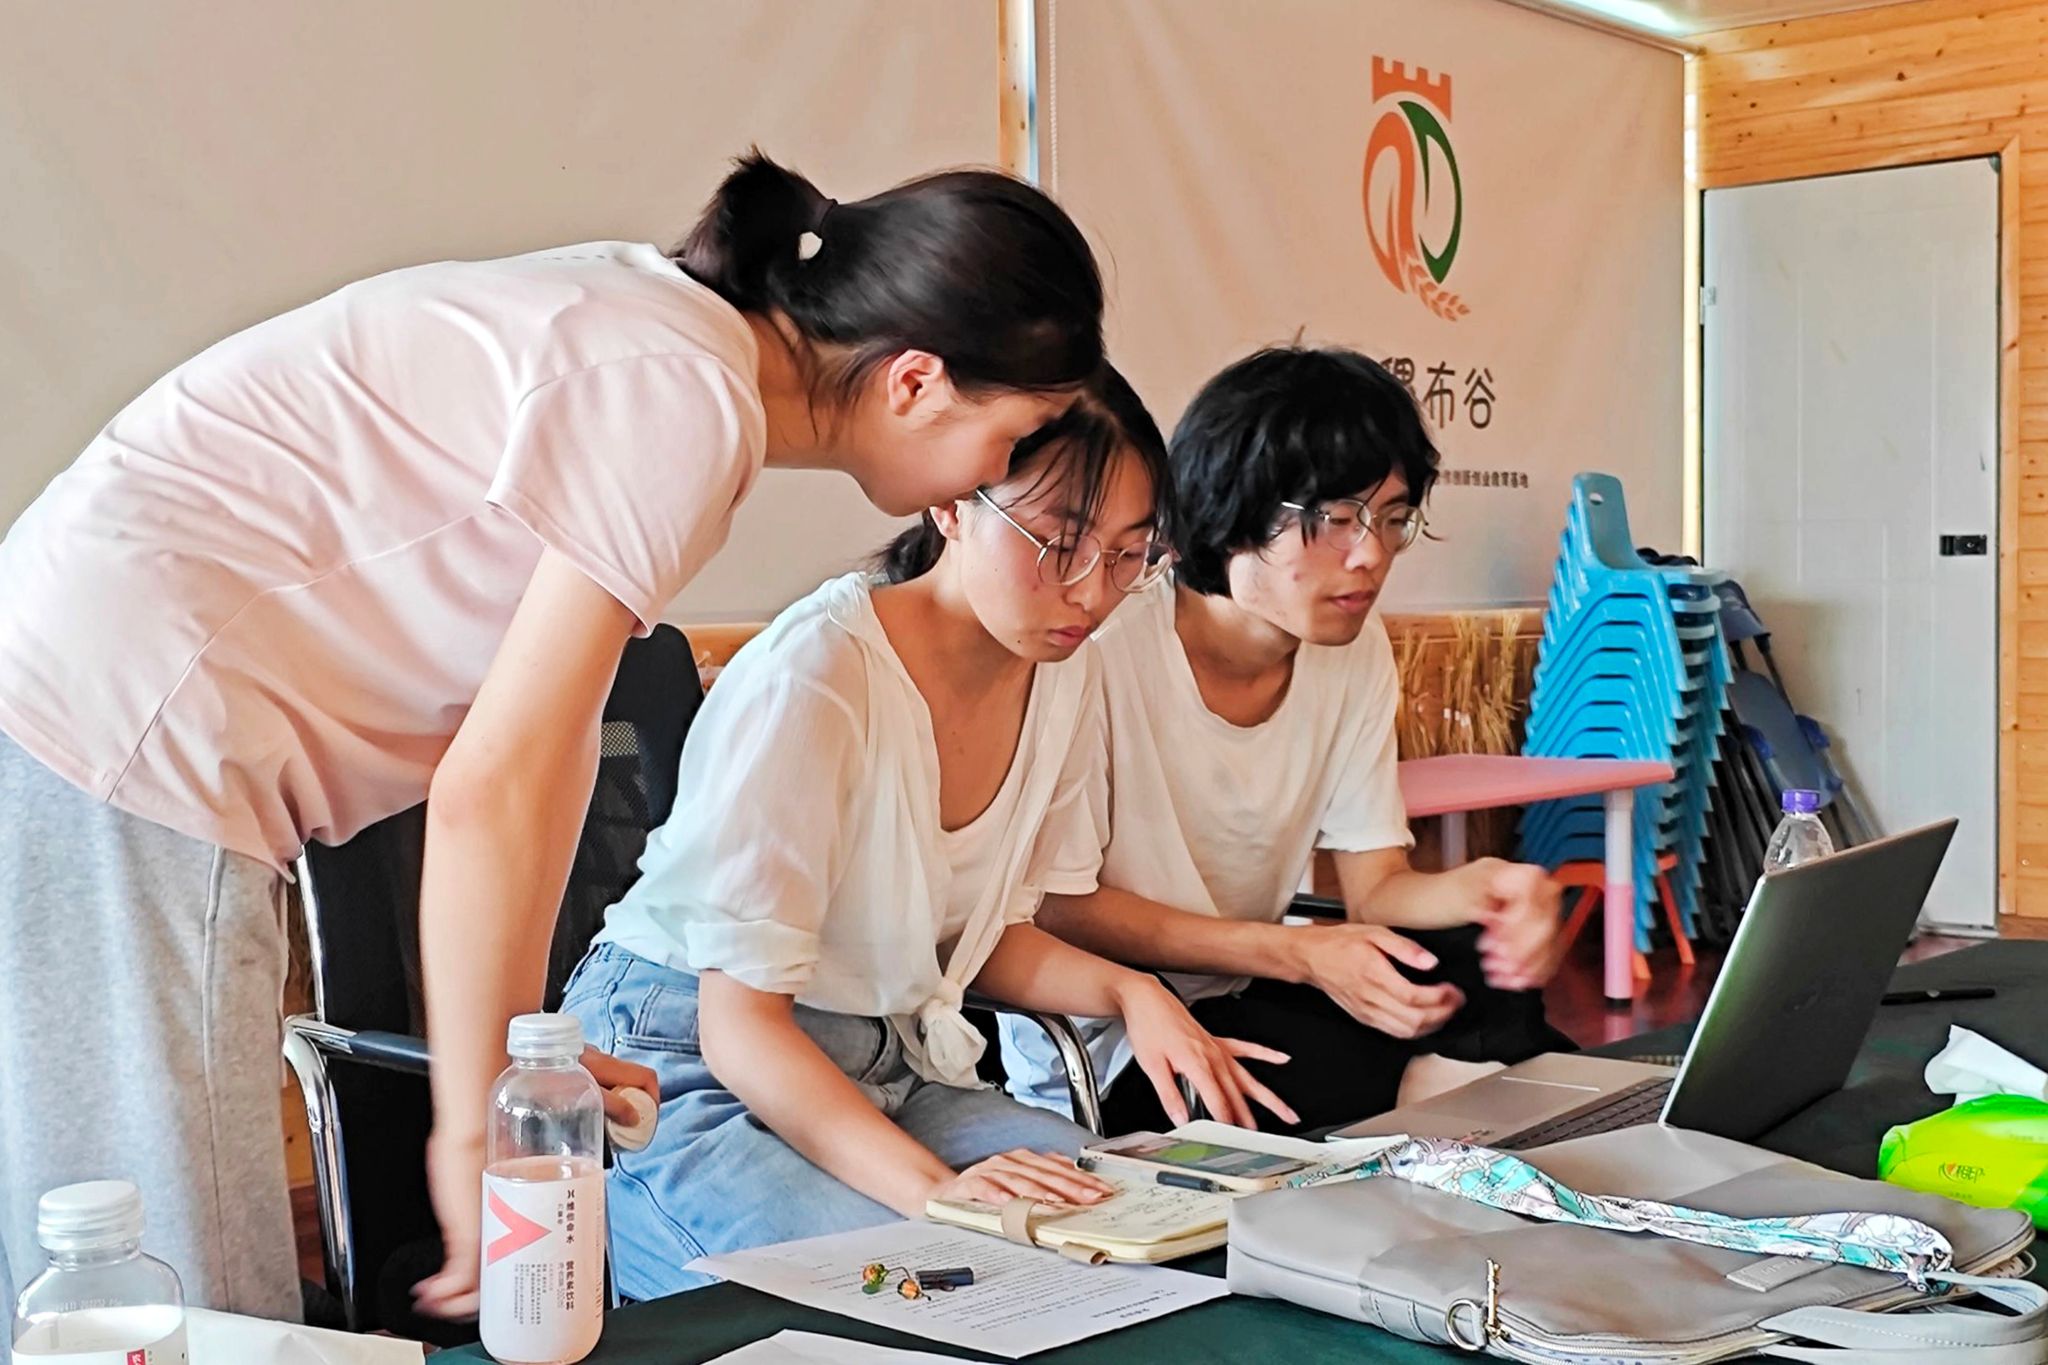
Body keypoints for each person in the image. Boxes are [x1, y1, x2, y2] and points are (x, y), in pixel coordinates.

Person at [0, 149, 1110, 1321]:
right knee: (174, 1289)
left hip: (100, 697)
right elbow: (496, 787)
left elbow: (547, 749)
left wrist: (518, 1049)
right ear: (916, 381)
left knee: (109, 1270)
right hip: (130, 715)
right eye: (1016, 435)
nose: (1002, 473)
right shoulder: (687, 399)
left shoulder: (670, 346)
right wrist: (471, 1117)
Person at [564, 372, 1294, 1300]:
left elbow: (975, 937)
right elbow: (741, 1028)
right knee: (935, 1292)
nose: (1091, 592)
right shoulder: (818, 677)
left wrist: (1131, 990)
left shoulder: (1062, 669)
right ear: (951, 502)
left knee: (1131, 1239)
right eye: (1059, 542)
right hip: (678, 1070)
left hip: (884, 1059)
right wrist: (939, 1195)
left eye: (1128, 554)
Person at [1001, 345, 1572, 1137]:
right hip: (1121, 1039)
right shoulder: (1102, 647)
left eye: (1392, 518)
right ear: (1231, 512)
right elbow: (1064, 909)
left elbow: (1377, 888)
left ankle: (1442, 1102)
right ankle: (1450, 1099)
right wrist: (1297, 953)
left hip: (1247, 985)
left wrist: (1490, 888)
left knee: (1469, 955)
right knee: (1353, 1070)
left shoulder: (1354, 651)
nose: (1371, 555)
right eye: (1334, 519)